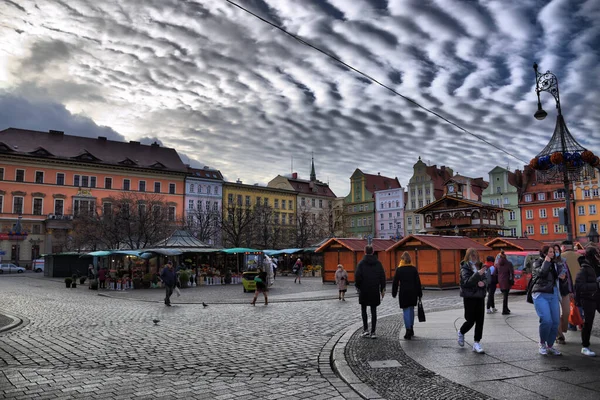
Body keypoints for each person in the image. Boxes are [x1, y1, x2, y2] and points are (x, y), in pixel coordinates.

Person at [532, 246, 563, 356]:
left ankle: (550, 345)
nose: (553, 254)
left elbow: (556, 279)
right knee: (546, 320)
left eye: (553, 252)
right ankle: (542, 343)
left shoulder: (555, 264)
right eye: (550, 252)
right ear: (544, 253)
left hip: (553, 293)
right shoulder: (537, 263)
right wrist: (546, 262)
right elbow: (541, 274)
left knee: (555, 322)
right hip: (540, 293)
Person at [458, 248, 487, 354]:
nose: (475, 258)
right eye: (472, 256)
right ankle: (461, 332)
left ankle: (477, 342)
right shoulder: (464, 267)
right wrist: (477, 275)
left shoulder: (480, 266)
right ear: (468, 256)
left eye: (476, 255)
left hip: (480, 296)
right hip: (469, 296)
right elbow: (466, 282)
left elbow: (486, 278)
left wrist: (484, 283)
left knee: (480, 320)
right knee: (470, 320)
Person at [355, 245, 386, 339]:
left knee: (363, 310)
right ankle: (373, 332)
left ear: (364, 252)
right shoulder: (378, 263)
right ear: (373, 252)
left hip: (364, 290)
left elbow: (357, 277)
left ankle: (365, 330)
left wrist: (359, 287)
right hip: (374, 289)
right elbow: (382, 277)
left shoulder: (361, 263)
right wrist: (382, 289)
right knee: (373, 311)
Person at [575, 245, 600, 357]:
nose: (598, 256)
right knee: (588, 323)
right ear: (592, 255)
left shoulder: (597, 266)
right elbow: (579, 286)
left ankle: (586, 346)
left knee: (589, 322)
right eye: (596, 254)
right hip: (588, 299)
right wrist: (596, 284)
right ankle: (585, 347)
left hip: (597, 297)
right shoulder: (584, 269)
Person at [392, 252, 422, 340]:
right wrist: (419, 293)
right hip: (413, 292)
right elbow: (418, 282)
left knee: (406, 311)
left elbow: (395, 282)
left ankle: (408, 329)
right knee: (411, 310)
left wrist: (394, 293)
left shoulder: (399, 269)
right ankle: (411, 328)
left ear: (402, 259)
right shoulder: (413, 269)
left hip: (404, 293)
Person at [562, 240, 584, 331]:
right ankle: (580, 321)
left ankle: (572, 324)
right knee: (579, 305)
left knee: (570, 305)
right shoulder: (580, 256)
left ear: (563, 247)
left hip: (567, 285)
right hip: (580, 284)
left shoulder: (561, 257)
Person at [554, 244, 573, 345]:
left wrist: (571, 290)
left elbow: (569, 276)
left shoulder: (563, 261)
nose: (556, 252)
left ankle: (562, 328)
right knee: (556, 314)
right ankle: (559, 336)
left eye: (558, 250)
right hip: (554, 291)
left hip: (564, 290)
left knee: (566, 312)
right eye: (554, 250)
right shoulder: (550, 262)